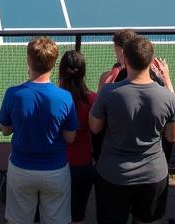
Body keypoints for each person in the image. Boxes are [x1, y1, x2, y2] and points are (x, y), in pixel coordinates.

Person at [88, 35, 175, 224]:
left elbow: (94, 127)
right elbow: (172, 136)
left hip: (113, 176)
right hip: (153, 177)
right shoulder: (169, 98)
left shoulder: (108, 93)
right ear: (150, 60)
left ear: (125, 60)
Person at [0, 37, 78, 224]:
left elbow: (5, 129)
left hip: (21, 170)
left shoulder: (13, 93)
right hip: (56, 171)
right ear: (53, 63)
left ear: (28, 60)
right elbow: (70, 137)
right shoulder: (65, 97)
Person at [57, 51, 95, 224]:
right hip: (83, 166)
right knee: (77, 214)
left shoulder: (54, 99)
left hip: (56, 166)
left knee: (53, 213)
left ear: (61, 72)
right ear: (83, 72)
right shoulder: (92, 99)